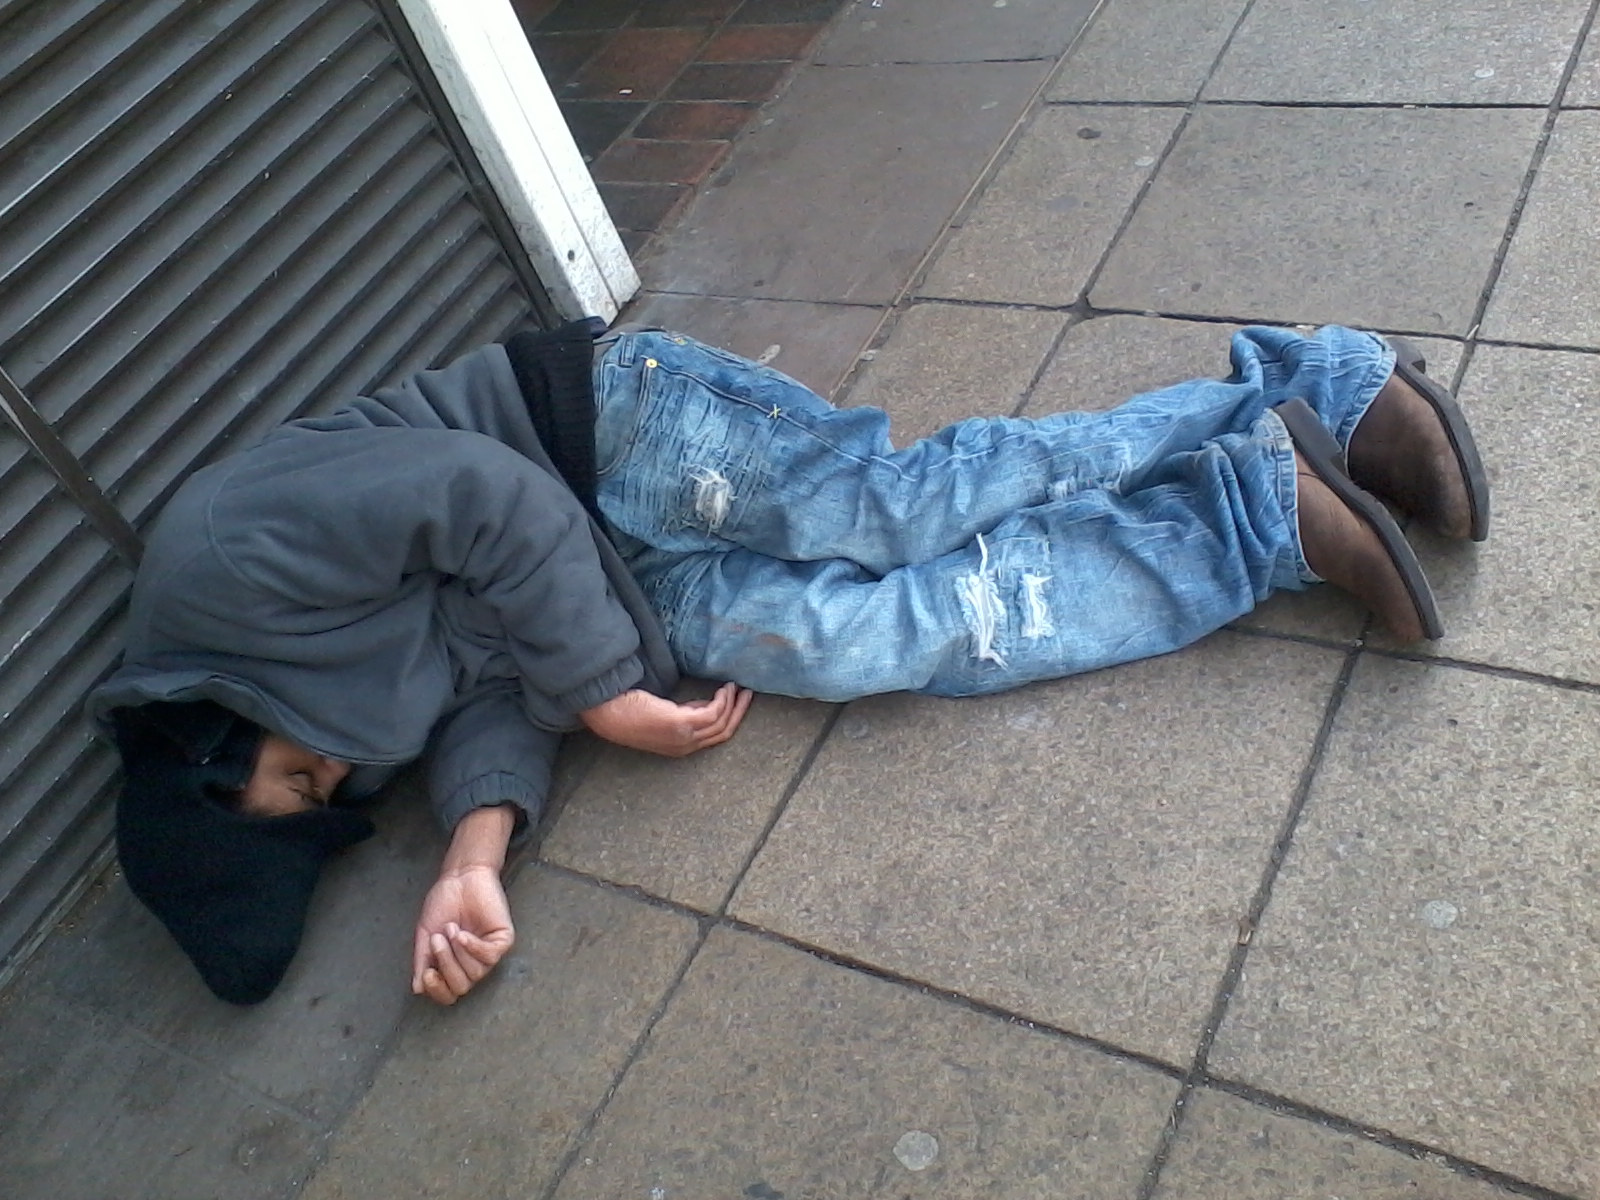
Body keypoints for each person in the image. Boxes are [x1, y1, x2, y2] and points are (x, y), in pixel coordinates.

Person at [87, 319, 1487, 1007]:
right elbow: (479, 688)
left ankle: (1320, 388)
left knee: (891, 511)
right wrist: (472, 850)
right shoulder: (316, 731)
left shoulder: (214, 559)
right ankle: (1254, 517)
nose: (338, 771)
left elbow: (484, 500)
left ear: (206, 751)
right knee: (888, 637)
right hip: (630, 589)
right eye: (329, 796)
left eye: (299, 775)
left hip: (592, 430)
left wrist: (600, 698)